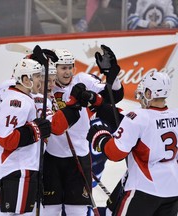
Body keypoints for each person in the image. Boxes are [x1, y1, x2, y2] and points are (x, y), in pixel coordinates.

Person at [41, 46, 124, 216]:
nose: (68, 72)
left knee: (77, 210)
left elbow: (114, 96)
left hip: (79, 154)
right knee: (50, 209)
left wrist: (111, 73)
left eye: (70, 67)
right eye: (63, 68)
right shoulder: (46, 86)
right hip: (51, 156)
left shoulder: (84, 81)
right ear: (53, 68)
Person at [87, 71, 178, 215]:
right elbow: (122, 118)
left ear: (149, 93)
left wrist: (100, 136)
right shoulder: (175, 115)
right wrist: (99, 103)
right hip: (172, 189)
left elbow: (115, 153)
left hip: (144, 189)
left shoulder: (139, 117)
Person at [0, 58, 51, 215]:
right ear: (25, 79)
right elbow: (7, 139)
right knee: (23, 212)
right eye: (37, 76)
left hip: (6, 167)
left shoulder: (8, 92)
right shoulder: (19, 101)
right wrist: (36, 129)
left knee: (2, 210)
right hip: (18, 168)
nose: (41, 80)